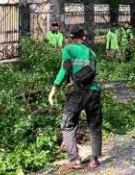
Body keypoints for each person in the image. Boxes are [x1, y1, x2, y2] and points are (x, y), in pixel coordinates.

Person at [48, 29, 102, 170]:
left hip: (77, 93)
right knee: (95, 126)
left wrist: (54, 88)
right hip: (93, 91)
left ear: (71, 38)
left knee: (68, 125)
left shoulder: (68, 49)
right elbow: (91, 72)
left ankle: (74, 160)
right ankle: (94, 160)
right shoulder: (92, 53)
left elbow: (65, 67)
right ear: (83, 38)